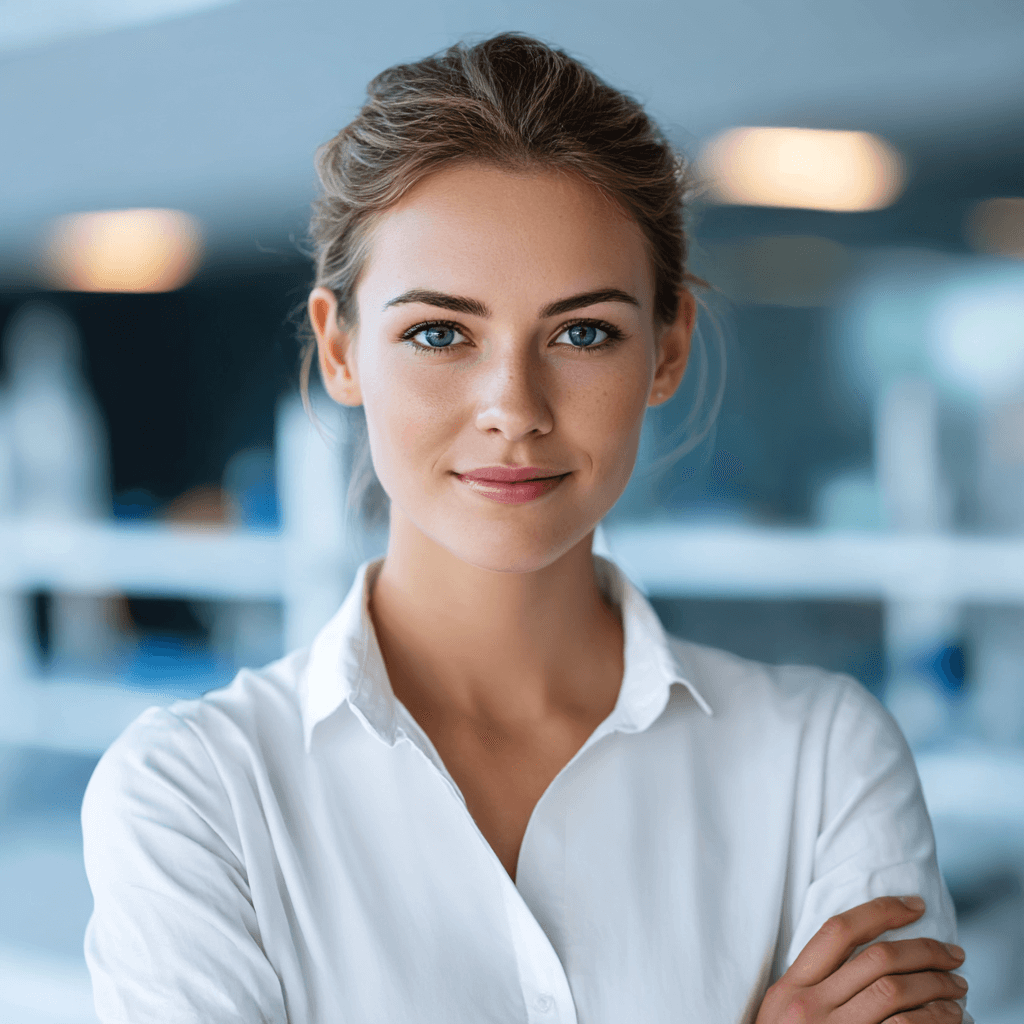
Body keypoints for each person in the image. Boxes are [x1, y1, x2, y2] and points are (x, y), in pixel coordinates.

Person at [81, 32, 972, 1024]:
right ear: (340, 350)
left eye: (582, 331)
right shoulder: (195, 797)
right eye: (439, 334)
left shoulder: (822, 756)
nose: (513, 404)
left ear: (666, 347)